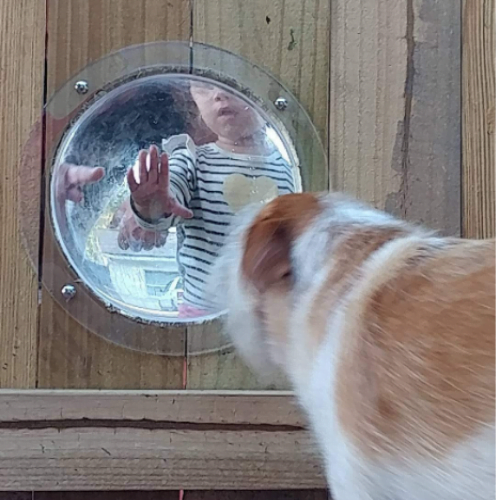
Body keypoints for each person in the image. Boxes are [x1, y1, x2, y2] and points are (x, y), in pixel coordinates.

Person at [120, 80, 300, 317]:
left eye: (234, 83)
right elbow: (171, 198)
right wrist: (152, 205)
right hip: (201, 316)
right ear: (192, 101)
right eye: (204, 86)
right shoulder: (192, 159)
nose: (220, 94)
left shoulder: (290, 166)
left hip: (269, 316)